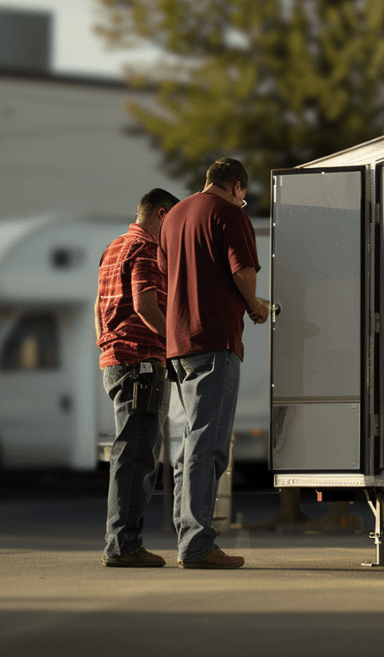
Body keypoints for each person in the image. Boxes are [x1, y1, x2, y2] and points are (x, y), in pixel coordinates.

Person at [160, 157, 269, 569]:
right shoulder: (229, 214)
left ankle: (185, 533)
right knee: (209, 446)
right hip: (215, 340)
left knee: (188, 445)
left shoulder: (173, 218)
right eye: (243, 194)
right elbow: (242, 271)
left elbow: (169, 277)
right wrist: (254, 305)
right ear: (237, 186)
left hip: (178, 344)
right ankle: (197, 544)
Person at [97, 187, 181, 568]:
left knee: (128, 451)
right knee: (137, 455)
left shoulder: (114, 247)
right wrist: (176, 343)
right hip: (142, 363)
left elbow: (99, 308)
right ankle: (124, 545)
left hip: (116, 360)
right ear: (162, 214)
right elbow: (147, 304)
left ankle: (121, 541)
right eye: (174, 223)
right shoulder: (146, 248)